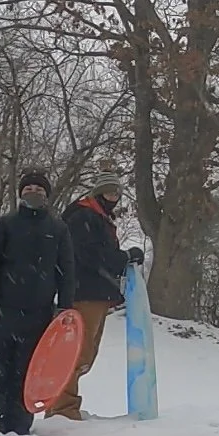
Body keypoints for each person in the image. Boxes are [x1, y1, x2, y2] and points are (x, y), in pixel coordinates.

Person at [0, 169, 75, 435]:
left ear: (47, 196)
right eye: (28, 190)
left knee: (26, 375)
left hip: (39, 319)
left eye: (39, 190)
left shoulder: (58, 229)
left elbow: (67, 272)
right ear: (20, 194)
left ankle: (18, 426)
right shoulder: (5, 224)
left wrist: (65, 310)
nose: (33, 194)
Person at [50, 169, 128, 421]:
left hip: (97, 292)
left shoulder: (99, 217)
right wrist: (122, 259)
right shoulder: (83, 216)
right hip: (83, 292)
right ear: (97, 192)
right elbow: (90, 255)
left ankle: (64, 406)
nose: (112, 196)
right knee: (76, 353)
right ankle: (62, 409)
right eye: (108, 191)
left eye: (116, 192)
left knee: (87, 354)